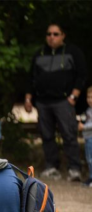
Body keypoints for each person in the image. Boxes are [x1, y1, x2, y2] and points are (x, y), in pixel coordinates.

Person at [25, 23, 87, 182]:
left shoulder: (73, 52)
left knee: (69, 134)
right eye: (49, 34)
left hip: (64, 101)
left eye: (55, 34)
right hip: (43, 102)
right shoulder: (39, 53)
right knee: (46, 135)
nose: (51, 37)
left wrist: (74, 96)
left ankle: (74, 169)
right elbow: (31, 77)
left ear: (63, 35)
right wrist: (28, 98)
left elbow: (82, 75)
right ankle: (51, 167)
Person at [78, 86, 92, 187]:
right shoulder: (88, 110)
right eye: (88, 97)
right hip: (88, 138)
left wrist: (84, 126)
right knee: (89, 159)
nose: (90, 100)